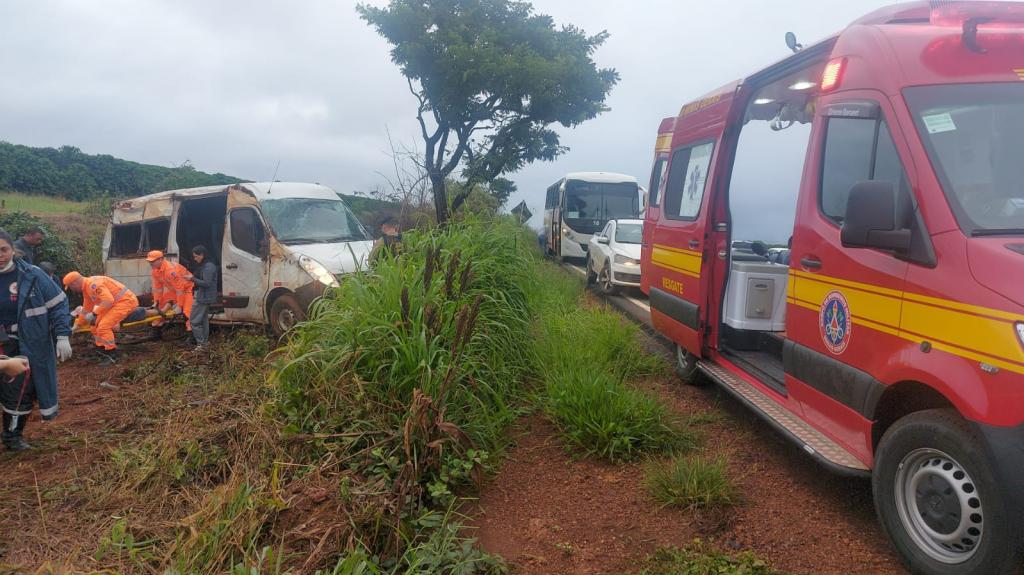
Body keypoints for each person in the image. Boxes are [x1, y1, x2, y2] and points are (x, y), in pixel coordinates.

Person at [0, 230, 72, 451]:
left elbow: (58, 304)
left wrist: (62, 335)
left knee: (20, 391)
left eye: (3, 249)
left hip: (27, 342)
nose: (0, 255)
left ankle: (12, 436)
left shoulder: (32, 275)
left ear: (13, 249)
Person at [63, 271, 138, 364]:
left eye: (71, 287)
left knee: (103, 326)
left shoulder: (93, 285)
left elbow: (108, 300)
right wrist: (78, 325)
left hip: (126, 302)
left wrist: (94, 314)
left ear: (74, 283)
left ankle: (112, 354)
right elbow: (86, 309)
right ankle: (102, 348)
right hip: (113, 304)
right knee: (94, 325)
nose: (72, 289)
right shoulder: (86, 288)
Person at [146, 250, 194, 330]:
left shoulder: (170, 270)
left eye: (153, 261)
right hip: (175, 291)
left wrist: (179, 306)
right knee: (159, 306)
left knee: (187, 312)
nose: (150, 263)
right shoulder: (155, 271)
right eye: (149, 261)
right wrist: (156, 302)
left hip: (188, 289)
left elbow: (180, 289)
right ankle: (156, 328)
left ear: (161, 259)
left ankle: (191, 332)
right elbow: (158, 290)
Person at [186, 245, 218, 351]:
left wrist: (192, 279)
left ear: (202, 255)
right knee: (203, 320)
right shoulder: (207, 265)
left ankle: (201, 344)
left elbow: (207, 283)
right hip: (204, 296)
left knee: (194, 321)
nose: (195, 259)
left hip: (203, 297)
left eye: (196, 256)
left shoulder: (208, 267)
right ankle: (205, 343)